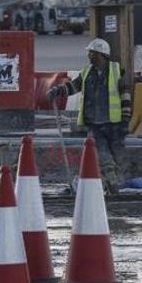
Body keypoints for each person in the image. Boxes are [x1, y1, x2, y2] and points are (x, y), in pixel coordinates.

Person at [47, 38, 133, 193]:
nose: (89, 56)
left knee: (116, 158)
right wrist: (58, 91)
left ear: (101, 54)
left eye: (92, 53)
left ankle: (112, 187)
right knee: (104, 157)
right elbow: (73, 86)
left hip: (114, 124)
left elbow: (125, 96)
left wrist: (125, 121)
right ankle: (113, 187)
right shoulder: (87, 72)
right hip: (94, 124)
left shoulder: (116, 71)